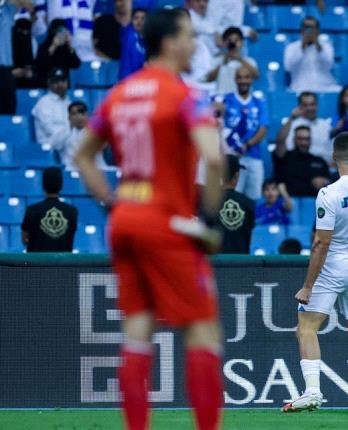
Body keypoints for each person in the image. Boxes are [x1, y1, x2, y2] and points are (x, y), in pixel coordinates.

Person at [74, 9, 226, 430]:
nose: (195, 44)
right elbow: (213, 157)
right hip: (167, 222)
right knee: (203, 332)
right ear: (171, 42)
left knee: (138, 330)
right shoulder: (185, 95)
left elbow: (82, 155)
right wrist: (210, 217)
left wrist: (111, 200)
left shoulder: (120, 93)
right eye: (190, 36)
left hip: (124, 219)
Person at [282, 112, 348, 413]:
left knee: (306, 326)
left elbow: (321, 242)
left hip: (333, 269)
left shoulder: (329, 195)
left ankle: (313, 391)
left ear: (333, 158)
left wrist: (307, 286)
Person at [222, 64, 268, 200]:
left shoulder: (259, 102)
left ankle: (251, 222)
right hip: (231, 156)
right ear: (235, 79)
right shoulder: (226, 100)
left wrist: (246, 145)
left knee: (253, 198)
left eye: (246, 77)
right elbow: (218, 126)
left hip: (254, 157)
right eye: (240, 77)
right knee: (231, 196)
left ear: (251, 80)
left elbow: (263, 127)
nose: (243, 81)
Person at [21, 167, 79, 252]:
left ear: (43, 185)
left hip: (36, 264)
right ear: (61, 185)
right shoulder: (72, 212)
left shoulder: (32, 210)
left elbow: (24, 239)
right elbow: (70, 238)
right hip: (63, 264)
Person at [283, 16, 340, 94]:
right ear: (301, 30)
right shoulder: (292, 47)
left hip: (325, 85)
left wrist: (317, 46)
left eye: (312, 28)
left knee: (341, 91)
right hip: (300, 86)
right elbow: (288, 67)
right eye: (306, 27)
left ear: (318, 30)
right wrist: (302, 47)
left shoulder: (326, 46)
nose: (309, 30)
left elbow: (329, 65)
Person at [278, 92, 334, 166]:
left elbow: (332, 150)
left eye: (312, 104)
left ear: (317, 105)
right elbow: (289, 149)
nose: (309, 108)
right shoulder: (293, 125)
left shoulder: (326, 125)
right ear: (299, 107)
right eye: (305, 105)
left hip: (326, 168)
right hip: (302, 166)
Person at [274, 125, 332, 197]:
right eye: (300, 139)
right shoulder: (284, 157)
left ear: (310, 140)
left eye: (306, 139)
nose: (303, 143)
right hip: (289, 202)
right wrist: (292, 118)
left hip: (314, 203)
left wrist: (324, 182)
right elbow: (280, 141)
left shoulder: (319, 161)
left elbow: (330, 184)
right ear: (294, 139)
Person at [50, 101, 107, 170]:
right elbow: (55, 145)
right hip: (73, 170)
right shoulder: (63, 132)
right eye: (74, 114)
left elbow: (104, 146)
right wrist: (70, 127)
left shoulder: (95, 131)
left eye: (82, 113)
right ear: (69, 117)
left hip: (97, 168)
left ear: (87, 115)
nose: (79, 117)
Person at [218, 155, 255, 254]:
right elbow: (252, 237)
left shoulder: (208, 202)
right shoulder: (248, 203)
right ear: (236, 176)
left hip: (214, 264)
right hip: (241, 264)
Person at [207, 26, 259, 95]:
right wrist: (223, 62)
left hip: (241, 100)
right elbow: (209, 79)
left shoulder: (249, 61)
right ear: (224, 43)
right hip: (222, 98)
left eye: (236, 40)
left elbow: (256, 76)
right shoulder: (216, 61)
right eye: (229, 40)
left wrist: (240, 59)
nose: (233, 43)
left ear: (242, 42)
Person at [34, 19, 82, 85]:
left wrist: (70, 46)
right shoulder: (44, 45)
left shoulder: (66, 47)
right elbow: (40, 65)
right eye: (58, 31)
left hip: (63, 83)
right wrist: (53, 47)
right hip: (47, 83)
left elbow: (76, 64)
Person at [32, 67, 71, 148]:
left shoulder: (69, 103)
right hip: (50, 144)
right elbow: (50, 130)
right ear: (49, 83)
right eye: (56, 81)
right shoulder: (44, 103)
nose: (60, 84)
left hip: (67, 141)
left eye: (63, 81)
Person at [118, 7, 147, 80]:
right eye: (136, 18)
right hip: (126, 80)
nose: (139, 21)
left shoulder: (151, 40)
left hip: (144, 82)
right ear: (131, 20)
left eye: (143, 18)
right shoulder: (127, 34)